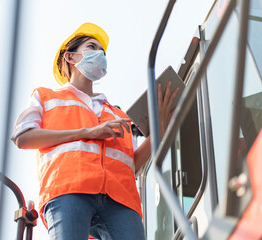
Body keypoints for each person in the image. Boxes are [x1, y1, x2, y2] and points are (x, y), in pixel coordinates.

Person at [11, 22, 178, 240]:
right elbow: (23, 137)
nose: (100, 54)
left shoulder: (118, 114)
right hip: (68, 190)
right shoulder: (46, 97)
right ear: (70, 58)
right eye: (92, 47)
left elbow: (131, 166)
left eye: (102, 52)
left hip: (121, 199)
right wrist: (89, 132)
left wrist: (159, 131)